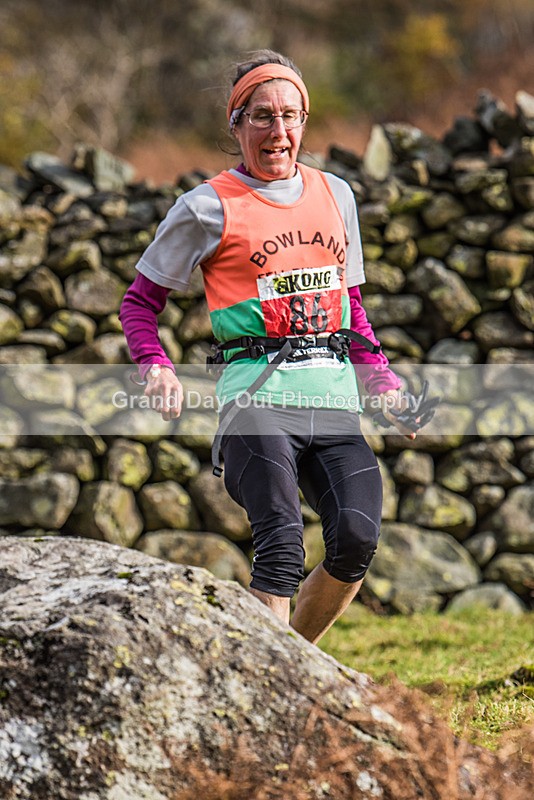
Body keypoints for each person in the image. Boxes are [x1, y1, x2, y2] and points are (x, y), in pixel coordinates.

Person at [119, 50, 433, 645]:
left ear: (305, 121)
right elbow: (138, 303)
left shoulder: (337, 195)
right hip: (254, 404)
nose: (279, 132)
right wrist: (154, 366)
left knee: (357, 538)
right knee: (282, 543)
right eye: (262, 116)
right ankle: (275, 691)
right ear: (236, 125)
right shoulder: (206, 207)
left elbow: (352, 310)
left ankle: (289, 669)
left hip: (333, 402)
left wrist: (383, 385)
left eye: (291, 115)